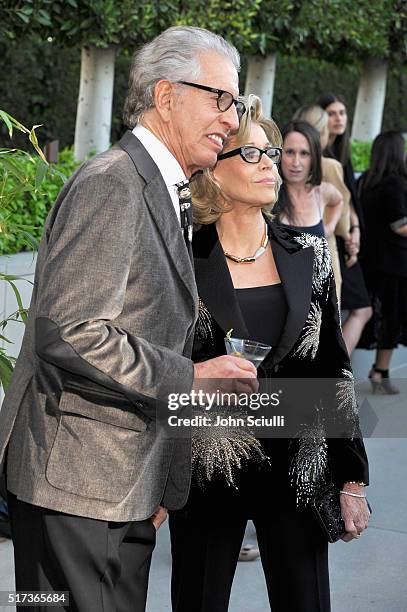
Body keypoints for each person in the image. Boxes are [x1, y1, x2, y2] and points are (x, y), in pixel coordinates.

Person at [0, 26, 258, 612]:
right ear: (166, 96)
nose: (233, 119)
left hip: (113, 489)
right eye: (221, 98)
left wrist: (161, 475)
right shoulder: (114, 182)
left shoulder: (166, 188)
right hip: (78, 492)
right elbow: (70, 331)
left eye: (236, 103)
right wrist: (192, 378)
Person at [169, 95, 370, 612]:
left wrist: (351, 478)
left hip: (299, 466)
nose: (272, 165)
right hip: (208, 464)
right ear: (214, 171)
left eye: (272, 152)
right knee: (199, 600)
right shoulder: (183, 258)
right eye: (253, 154)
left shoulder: (309, 255)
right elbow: (158, 362)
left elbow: (334, 367)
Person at [317, 93, 372, 355]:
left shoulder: (342, 152)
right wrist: (350, 234)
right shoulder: (323, 158)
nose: (339, 118)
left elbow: (349, 198)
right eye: (332, 113)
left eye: (342, 112)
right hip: (331, 237)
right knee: (356, 309)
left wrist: (356, 230)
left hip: (344, 235)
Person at [358, 131, 407, 393]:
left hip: (369, 261)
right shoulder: (395, 183)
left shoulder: (366, 180)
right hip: (395, 265)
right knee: (391, 319)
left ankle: (379, 373)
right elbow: (400, 224)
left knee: (367, 317)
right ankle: (380, 371)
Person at [293, 105, 352, 301]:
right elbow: (343, 222)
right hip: (325, 249)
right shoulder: (329, 165)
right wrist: (336, 227)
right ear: (323, 133)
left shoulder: (287, 163)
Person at [275, 120, 343, 244]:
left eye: (304, 153)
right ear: (279, 154)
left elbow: (338, 201)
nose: (296, 163)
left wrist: (330, 227)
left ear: (314, 157)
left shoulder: (321, 192)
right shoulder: (268, 195)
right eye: (290, 152)